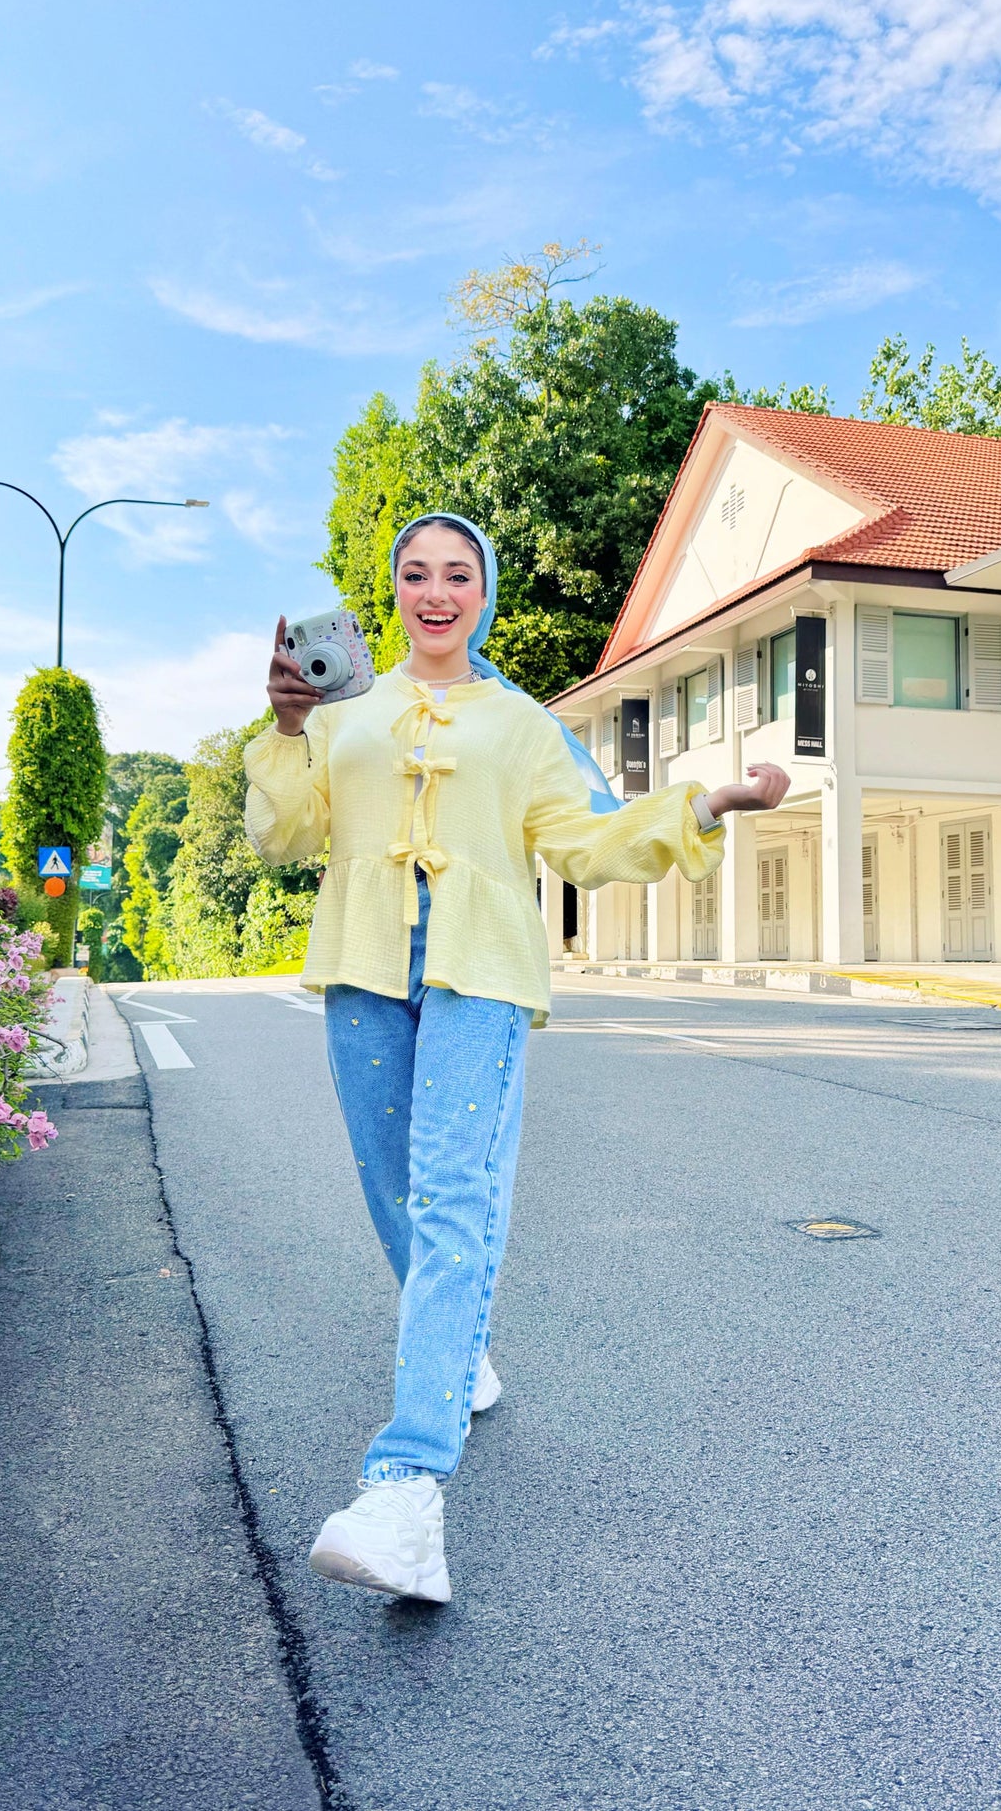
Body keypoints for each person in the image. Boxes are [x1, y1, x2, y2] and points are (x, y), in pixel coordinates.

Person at [246, 513, 789, 1604]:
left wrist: (708, 802)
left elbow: (587, 839)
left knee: (452, 1198)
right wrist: (285, 726)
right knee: (391, 1189)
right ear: (388, 590)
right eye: (414, 574)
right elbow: (283, 837)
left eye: (457, 574)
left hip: (477, 974)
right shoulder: (346, 712)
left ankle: (405, 1488)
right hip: (361, 966)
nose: (435, 591)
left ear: (480, 592)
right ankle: (461, 1359)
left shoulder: (522, 722)